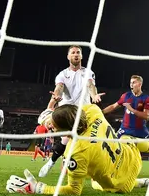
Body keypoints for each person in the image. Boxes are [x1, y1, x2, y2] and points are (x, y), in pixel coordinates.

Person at [6, 104, 149, 195]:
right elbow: (75, 112)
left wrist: (38, 188)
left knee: (94, 180)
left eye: (53, 126)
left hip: (123, 184)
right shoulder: (92, 110)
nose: (51, 129)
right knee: (95, 177)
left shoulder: (75, 152)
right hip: (133, 158)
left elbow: (74, 190)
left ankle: (135, 180)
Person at [39, 45, 104, 177]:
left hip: (83, 111)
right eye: (73, 53)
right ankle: (53, 163)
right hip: (67, 112)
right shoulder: (62, 74)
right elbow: (59, 87)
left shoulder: (88, 72)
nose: (76, 54)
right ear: (68, 57)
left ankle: (54, 162)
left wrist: (94, 96)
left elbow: (91, 85)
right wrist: (56, 95)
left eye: (78, 52)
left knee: (82, 142)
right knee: (67, 139)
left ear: (81, 56)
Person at [102, 75, 149, 178]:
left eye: (134, 82)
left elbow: (146, 116)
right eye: (131, 82)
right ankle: (110, 171)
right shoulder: (125, 96)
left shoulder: (146, 98)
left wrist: (132, 109)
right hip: (125, 129)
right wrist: (101, 112)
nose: (131, 84)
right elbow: (114, 106)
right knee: (114, 148)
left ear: (139, 84)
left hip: (140, 131)